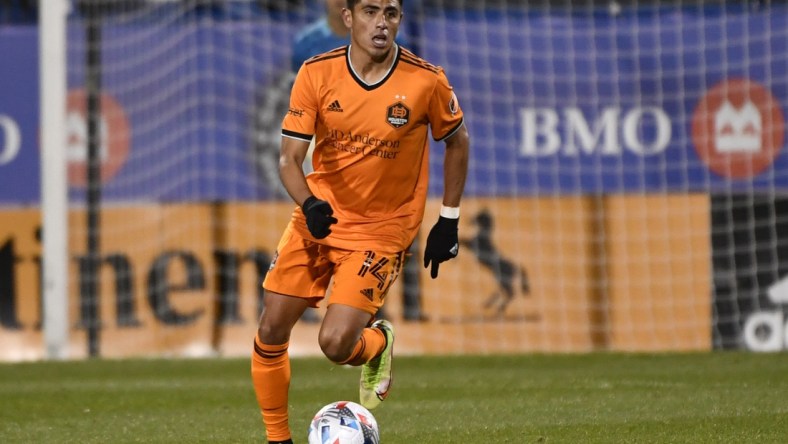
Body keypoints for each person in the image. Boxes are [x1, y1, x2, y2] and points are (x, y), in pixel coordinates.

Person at [250, 0, 469, 443]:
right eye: (370, 11)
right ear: (348, 18)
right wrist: (309, 204)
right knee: (271, 328)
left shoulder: (426, 80)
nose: (381, 23)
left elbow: (458, 142)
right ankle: (278, 440)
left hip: (382, 228)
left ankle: (378, 344)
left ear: (399, 20)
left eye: (390, 13)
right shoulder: (316, 72)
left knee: (334, 344)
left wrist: (449, 219)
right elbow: (289, 159)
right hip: (321, 217)